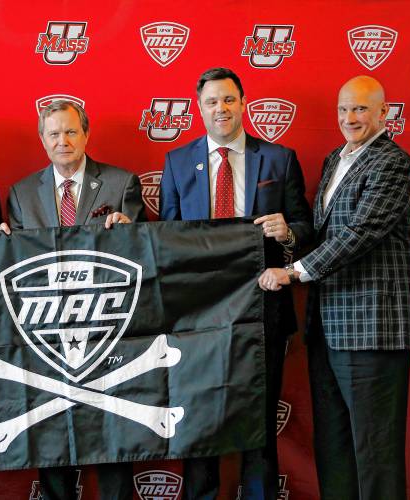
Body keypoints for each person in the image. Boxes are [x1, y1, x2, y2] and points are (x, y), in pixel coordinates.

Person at [258, 75, 410, 499]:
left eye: (361, 109)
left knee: (375, 450)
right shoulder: (335, 159)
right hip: (327, 327)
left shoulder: (392, 163)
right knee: (334, 447)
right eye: (343, 109)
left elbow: (357, 235)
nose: (350, 118)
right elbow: (322, 232)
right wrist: (288, 237)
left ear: (384, 112)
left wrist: (292, 272)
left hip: (372, 328)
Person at [159, 67, 312, 500]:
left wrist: (289, 231)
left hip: (262, 313)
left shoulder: (279, 159)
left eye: (228, 100)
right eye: (211, 102)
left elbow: (306, 226)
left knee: (259, 423)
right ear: (199, 109)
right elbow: (168, 237)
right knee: (198, 421)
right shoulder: (176, 162)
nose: (220, 109)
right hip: (197, 318)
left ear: (242, 103)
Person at [0, 100, 146, 500]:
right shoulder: (22, 192)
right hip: (46, 335)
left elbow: (143, 257)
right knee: (53, 437)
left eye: (70, 132)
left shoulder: (121, 183)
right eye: (53, 133)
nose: (62, 141)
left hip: (106, 332)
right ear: (42, 140)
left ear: (86, 135)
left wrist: (130, 230)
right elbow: (17, 266)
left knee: (112, 432)